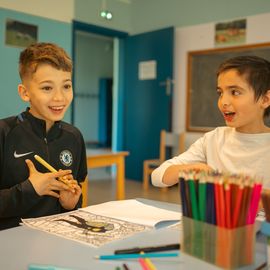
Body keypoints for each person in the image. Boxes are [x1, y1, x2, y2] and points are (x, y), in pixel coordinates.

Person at [0, 42, 87, 230]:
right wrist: (30, 189)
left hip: (59, 240)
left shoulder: (74, 137)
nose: (59, 98)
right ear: (25, 93)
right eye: (47, 88)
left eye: (66, 86)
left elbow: (77, 197)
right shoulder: (4, 133)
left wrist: (72, 203)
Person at [152, 55, 270, 188]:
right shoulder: (213, 139)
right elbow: (157, 176)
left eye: (235, 92)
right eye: (220, 93)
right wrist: (192, 168)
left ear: (265, 100)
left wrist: (247, 197)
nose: (223, 102)